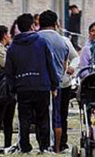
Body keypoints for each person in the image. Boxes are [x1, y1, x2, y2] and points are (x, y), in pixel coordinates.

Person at [4, 13, 58, 154]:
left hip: (22, 87)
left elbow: (9, 72)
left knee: (24, 119)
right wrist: (54, 84)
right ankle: (44, 146)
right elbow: (50, 65)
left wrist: (13, 87)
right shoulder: (41, 42)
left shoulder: (12, 47)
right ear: (32, 26)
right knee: (43, 118)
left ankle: (25, 146)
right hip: (42, 85)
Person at [38, 10, 79, 152]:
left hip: (45, 84)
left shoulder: (34, 39)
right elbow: (76, 56)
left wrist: (72, 67)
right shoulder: (64, 40)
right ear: (56, 24)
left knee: (45, 115)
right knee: (61, 116)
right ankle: (59, 145)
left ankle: (48, 144)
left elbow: (75, 58)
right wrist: (71, 67)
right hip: (62, 82)